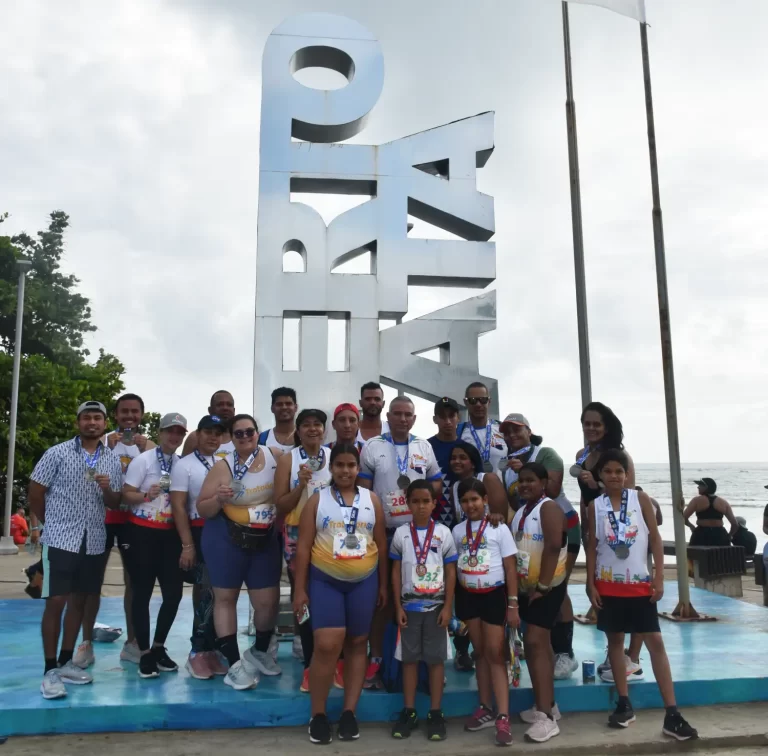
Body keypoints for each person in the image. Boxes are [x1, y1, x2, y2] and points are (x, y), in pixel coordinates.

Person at [587, 450, 697, 740]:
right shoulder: (594, 506)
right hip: (608, 585)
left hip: (639, 586)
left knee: (656, 642)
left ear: (627, 474)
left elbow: (655, 539)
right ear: (600, 476)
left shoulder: (640, 499)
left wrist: (659, 576)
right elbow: (592, 547)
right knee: (615, 641)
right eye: (608, 471)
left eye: (619, 471)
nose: (614, 476)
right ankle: (624, 704)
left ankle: (672, 713)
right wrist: (590, 584)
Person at [292, 442, 388, 745]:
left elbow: (381, 544)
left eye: (351, 465)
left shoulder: (372, 499)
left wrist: (384, 585)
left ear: (358, 468)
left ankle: (349, 712)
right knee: (326, 645)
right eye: (340, 465)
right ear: (331, 468)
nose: (345, 471)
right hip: (326, 582)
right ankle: (318, 715)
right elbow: (303, 547)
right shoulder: (317, 501)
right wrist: (299, 590)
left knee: (358, 643)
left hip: (364, 581)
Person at [28, 400, 123, 699]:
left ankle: (66, 661)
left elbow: (114, 502)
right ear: (78, 423)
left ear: (105, 424)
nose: (91, 422)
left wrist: (108, 488)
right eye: (86, 417)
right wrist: (50, 523)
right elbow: (35, 491)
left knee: (79, 602)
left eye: (97, 418)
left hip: (94, 539)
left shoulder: (111, 460)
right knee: (56, 601)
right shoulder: (56, 453)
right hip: (60, 539)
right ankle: (49, 670)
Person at [358, 395, 442, 689]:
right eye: (397, 414)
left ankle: (426, 663)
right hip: (385, 533)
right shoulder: (373, 447)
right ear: (388, 417)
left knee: (423, 596)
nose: (402, 419)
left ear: (414, 419)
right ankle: (377, 658)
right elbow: (364, 492)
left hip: (419, 535)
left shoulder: (424, 447)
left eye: (408, 414)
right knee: (382, 600)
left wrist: (419, 504)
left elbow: (436, 482)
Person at [197, 414, 284, 690]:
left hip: (264, 538)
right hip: (226, 537)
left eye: (249, 432)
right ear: (231, 438)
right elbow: (203, 508)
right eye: (238, 434)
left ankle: (259, 650)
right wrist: (219, 498)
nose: (245, 437)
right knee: (226, 599)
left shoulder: (276, 456)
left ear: (258, 433)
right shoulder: (223, 466)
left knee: (268, 601)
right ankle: (234, 663)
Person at [75, 392, 154, 670]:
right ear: (116, 415)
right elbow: (84, 476)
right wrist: (105, 449)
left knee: (134, 583)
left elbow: (162, 481)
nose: (129, 417)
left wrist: (147, 453)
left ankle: (132, 644)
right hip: (102, 518)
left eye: (135, 412)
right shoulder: (101, 441)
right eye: (124, 412)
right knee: (91, 582)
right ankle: (85, 643)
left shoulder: (150, 446)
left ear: (141, 415)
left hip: (133, 521)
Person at [498, 413, 580, 681]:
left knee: (558, 589)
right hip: (530, 530)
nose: (512, 435)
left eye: (517, 430)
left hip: (563, 524)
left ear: (529, 431)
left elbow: (553, 490)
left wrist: (523, 467)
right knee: (530, 588)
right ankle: (541, 645)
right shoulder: (504, 466)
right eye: (507, 432)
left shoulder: (547, 454)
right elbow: (515, 501)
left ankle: (565, 652)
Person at [573, 402, 640, 680]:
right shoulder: (582, 454)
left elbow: (629, 495)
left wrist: (597, 485)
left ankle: (631, 658)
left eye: (596, 424)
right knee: (603, 591)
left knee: (628, 593)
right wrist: (584, 525)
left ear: (607, 426)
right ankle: (614, 653)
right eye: (586, 423)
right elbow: (583, 497)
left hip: (619, 533)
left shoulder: (620, 456)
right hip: (594, 528)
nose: (591, 428)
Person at [452, 478, 519, 747]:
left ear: (485, 500)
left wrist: (513, 604)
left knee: (495, 653)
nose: (470, 505)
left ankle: (503, 715)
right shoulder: (457, 531)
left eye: (475, 500)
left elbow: (511, 567)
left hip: (494, 595)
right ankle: (485, 707)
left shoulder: (498, 527)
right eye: (465, 501)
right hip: (468, 597)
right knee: (479, 652)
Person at [121, 412, 188, 679]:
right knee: (142, 594)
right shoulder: (143, 460)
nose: (174, 437)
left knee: (173, 594)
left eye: (179, 433)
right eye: (169, 431)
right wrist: (144, 495)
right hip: (142, 534)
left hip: (170, 536)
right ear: (160, 433)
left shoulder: (182, 464)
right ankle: (144, 651)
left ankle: (159, 646)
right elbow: (126, 494)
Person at [390, 481, 457, 741]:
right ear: (407, 503)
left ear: (433, 503)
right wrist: (397, 606)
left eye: (425, 501)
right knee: (409, 660)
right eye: (415, 501)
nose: (420, 506)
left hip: (436, 607)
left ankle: (436, 712)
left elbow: (451, 571)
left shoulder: (443, 533)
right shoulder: (401, 534)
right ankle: (409, 711)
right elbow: (395, 573)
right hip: (409, 606)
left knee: (435, 660)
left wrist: (448, 606)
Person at [275, 408, 333, 691]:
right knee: (304, 597)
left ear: (325, 430)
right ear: (298, 431)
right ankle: (310, 660)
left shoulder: (334, 457)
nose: (312, 429)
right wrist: (300, 484)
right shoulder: (289, 459)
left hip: (330, 534)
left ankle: (333, 660)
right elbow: (281, 504)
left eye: (317, 425)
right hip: (297, 532)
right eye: (306, 425)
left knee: (329, 594)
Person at [170, 414, 229, 680]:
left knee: (220, 594)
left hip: (223, 532)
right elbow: (179, 506)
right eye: (208, 432)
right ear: (198, 434)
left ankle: (213, 648)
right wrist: (187, 544)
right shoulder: (185, 466)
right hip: (198, 530)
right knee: (204, 591)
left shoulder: (224, 463)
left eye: (218, 433)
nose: (213, 437)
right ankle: (197, 651)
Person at [512, 464, 567, 743]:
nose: (524, 485)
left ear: (543, 482)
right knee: (540, 645)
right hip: (527, 588)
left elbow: (554, 546)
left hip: (547, 587)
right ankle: (548, 706)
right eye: (521, 481)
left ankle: (546, 718)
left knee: (534, 642)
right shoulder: (522, 511)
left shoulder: (548, 508)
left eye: (530, 480)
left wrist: (543, 586)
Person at [449, 442, 508, 523]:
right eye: (453, 458)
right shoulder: (454, 488)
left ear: (473, 464)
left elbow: (502, 519)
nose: (456, 461)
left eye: (462, 458)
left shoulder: (488, 479)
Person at [427, 397, 462, 527]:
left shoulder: (468, 449)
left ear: (459, 417)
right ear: (435, 419)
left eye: (451, 416)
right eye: (442, 417)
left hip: (464, 522)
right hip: (431, 522)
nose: (447, 421)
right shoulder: (425, 447)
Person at [460, 382, 507, 476]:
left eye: (483, 400)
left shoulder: (503, 428)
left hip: (501, 488)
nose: (478, 404)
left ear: (489, 401)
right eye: (473, 400)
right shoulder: (459, 431)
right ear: (466, 402)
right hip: (471, 488)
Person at [684, 478, 739, 547]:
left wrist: (691, 526)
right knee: (719, 557)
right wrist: (729, 536)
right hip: (719, 535)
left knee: (697, 557)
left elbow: (683, 517)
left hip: (701, 535)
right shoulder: (723, 502)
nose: (698, 487)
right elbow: (735, 524)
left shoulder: (697, 500)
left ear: (706, 487)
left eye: (700, 485)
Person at [182, 390, 237, 458]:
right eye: (220, 405)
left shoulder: (240, 437)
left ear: (234, 410)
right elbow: (183, 464)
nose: (225, 408)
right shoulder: (195, 437)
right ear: (210, 410)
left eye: (229, 405)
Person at [258, 387, 299, 452]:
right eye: (279, 404)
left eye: (288, 404)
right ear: (272, 408)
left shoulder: (304, 436)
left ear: (296, 407)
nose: (284, 407)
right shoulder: (262, 438)